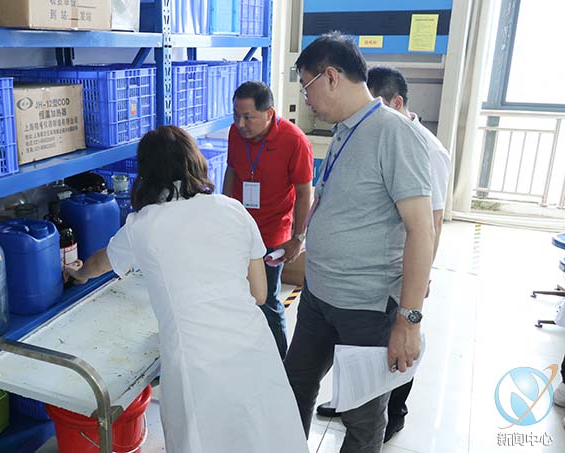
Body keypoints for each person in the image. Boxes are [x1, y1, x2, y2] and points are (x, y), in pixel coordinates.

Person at [65, 126, 309, 453]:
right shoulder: (233, 209)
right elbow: (259, 294)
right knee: (263, 434)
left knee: (203, 440)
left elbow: (99, 263)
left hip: (196, 360)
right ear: (196, 162)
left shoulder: (144, 225)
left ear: (146, 174)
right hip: (250, 348)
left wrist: (78, 273)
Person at [284, 32, 435, 452]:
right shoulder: (346, 129)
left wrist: (408, 321)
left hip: (365, 307)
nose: (307, 100)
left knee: (362, 416)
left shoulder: (394, 133)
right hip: (318, 295)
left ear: (331, 77)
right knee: (294, 386)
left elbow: (422, 229)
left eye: (307, 86)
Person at [316, 65, 452, 441]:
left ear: (394, 103)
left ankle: (393, 414)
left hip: (392, 278)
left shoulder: (425, 148)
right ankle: (352, 402)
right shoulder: (361, 132)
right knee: (360, 361)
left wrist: (416, 289)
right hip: (353, 276)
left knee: (393, 357)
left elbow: (430, 223)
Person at [223, 81, 313, 359]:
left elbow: (304, 193)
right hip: (239, 229)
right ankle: (243, 353)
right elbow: (231, 171)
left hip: (272, 234)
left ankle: (278, 361)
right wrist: (224, 211)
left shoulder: (294, 140)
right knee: (236, 294)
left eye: (247, 116)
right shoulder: (236, 133)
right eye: (236, 115)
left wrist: (298, 238)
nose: (240, 124)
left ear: (269, 113)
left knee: (266, 299)